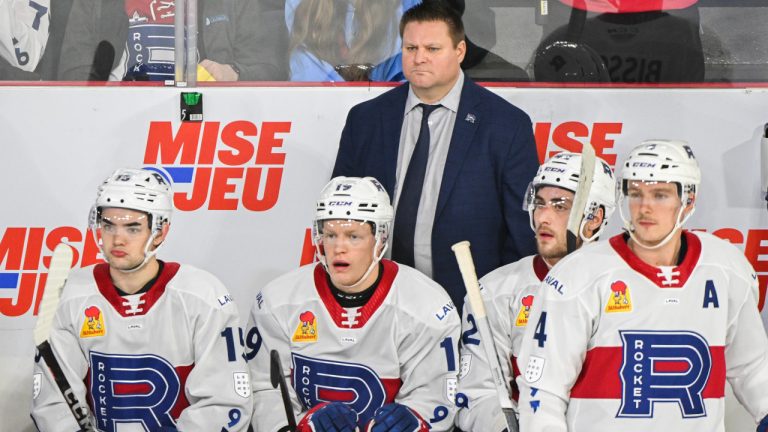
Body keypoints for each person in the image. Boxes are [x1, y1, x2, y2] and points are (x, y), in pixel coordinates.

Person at [516, 140, 768, 431]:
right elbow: (543, 389)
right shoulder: (577, 276)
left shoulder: (725, 268)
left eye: (659, 195)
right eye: (636, 194)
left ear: (688, 200)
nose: (645, 207)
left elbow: (753, 367)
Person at [332, 0, 539, 312]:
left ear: (459, 51)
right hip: (378, 304)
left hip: (471, 307)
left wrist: (504, 305)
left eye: (432, 48)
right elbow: (339, 211)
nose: (419, 59)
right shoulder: (366, 120)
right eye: (411, 48)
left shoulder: (506, 125)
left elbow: (523, 229)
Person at [31, 168, 252, 431]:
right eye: (108, 224)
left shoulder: (203, 297)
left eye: (133, 228)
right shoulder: (73, 295)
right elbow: (54, 405)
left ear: (159, 232)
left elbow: (224, 403)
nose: (117, 238)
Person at [247, 176, 460, 432]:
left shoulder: (425, 305)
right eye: (330, 235)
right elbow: (263, 389)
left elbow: (436, 395)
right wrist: (293, 428)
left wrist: (413, 420)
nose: (339, 248)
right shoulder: (278, 300)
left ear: (379, 239)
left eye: (353, 236)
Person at [456, 151, 615, 432]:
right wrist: (502, 425)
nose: (543, 216)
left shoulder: (628, 288)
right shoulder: (495, 292)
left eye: (560, 206)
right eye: (539, 203)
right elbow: (475, 394)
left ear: (594, 217)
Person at [57, 0, 270, 81]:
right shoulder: (97, 3)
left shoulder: (233, 3)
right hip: (114, 119)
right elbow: (72, 75)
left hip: (205, 121)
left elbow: (271, 69)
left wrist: (234, 73)